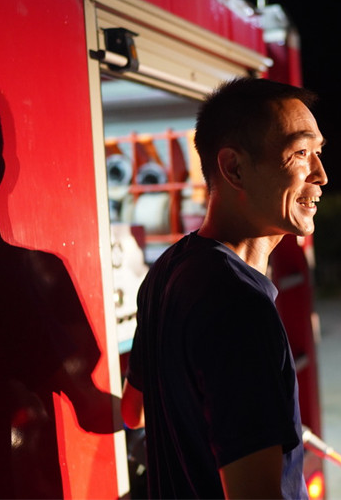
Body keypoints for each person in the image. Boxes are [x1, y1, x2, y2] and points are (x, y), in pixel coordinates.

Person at [120, 77, 327, 499]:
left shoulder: (168, 269)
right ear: (234, 167)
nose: (321, 175)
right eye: (301, 153)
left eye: (319, 153)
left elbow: (133, 411)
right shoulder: (240, 308)